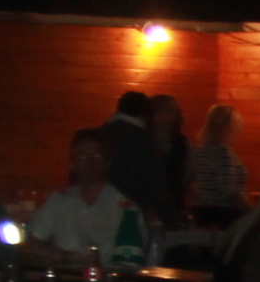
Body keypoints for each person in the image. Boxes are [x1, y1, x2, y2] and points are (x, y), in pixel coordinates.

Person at [21, 129, 140, 261]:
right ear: (73, 163)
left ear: (107, 163)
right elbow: (32, 243)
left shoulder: (124, 206)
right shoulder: (59, 201)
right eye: (83, 156)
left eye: (97, 155)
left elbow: (135, 256)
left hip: (110, 273)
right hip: (68, 272)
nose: (90, 162)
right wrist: (64, 256)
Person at [100, 91, 167, 230]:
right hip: (134, 213)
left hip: (100, 208)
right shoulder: (144, 140)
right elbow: (154, 182)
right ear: (145, 113)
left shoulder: (99, 135)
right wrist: (166, 218)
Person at [186, 104, 247, 227]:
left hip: (201, 213)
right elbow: (230, 192)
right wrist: (253, 212)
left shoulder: (197, 152)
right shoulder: (223, 154)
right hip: (224, 216)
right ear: (231, 127)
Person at [145, 94, 189, 226]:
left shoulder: (181, 144)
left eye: (171, 112)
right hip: (147, 206)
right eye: (161, 111)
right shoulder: (144, 142)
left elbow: (188, 176)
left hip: (174, 206)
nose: (167, 117)